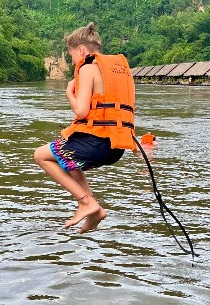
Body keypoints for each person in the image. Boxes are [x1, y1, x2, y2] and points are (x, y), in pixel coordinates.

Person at [34, 22, 136, 233]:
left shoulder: (88, 68)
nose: (73, 63)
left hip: (98, 144)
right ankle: (94, 209)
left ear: (81, 50)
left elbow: (81, 111)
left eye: (71, 56)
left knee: (41, 155)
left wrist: (69, 94)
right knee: (69, 159)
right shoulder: (115, 71)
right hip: (115, 149)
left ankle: (86, 202)